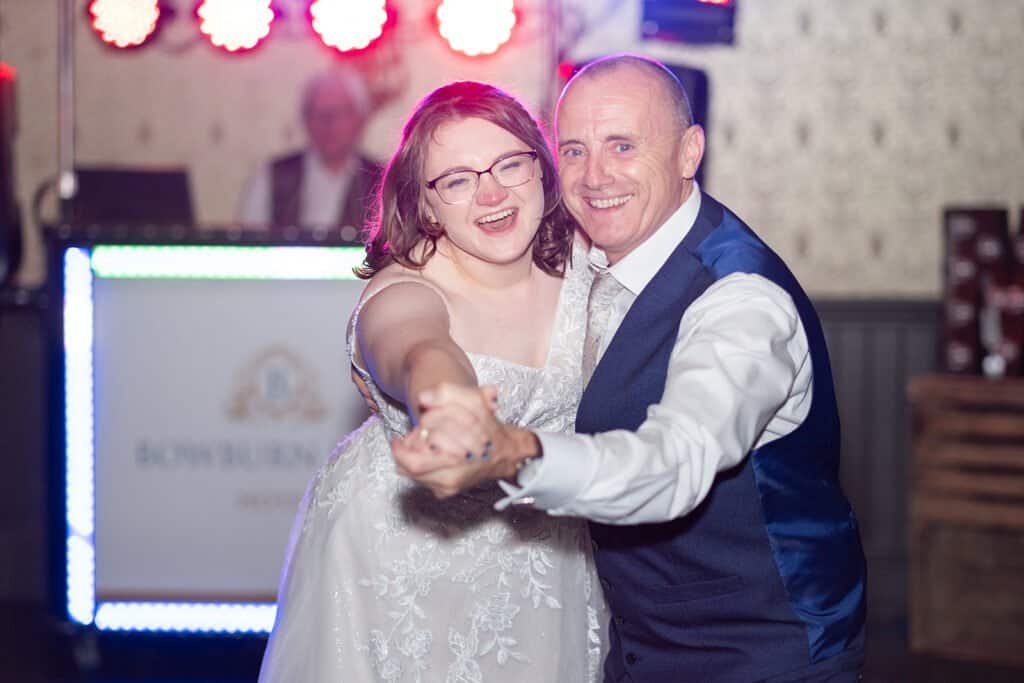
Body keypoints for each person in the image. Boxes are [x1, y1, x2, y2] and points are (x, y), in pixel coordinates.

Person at [393, 54, 868, 682]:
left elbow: (671, 465)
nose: (595, 176)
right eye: (575, 150)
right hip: (636, 649)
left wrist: (516, 454)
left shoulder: (741, 303)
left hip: (764, 656)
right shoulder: (584, 255)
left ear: (688, 152)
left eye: (622, 145)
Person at [258, 81, 607, 682]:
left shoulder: (590, 264)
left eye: (509, 164)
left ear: (542, 170)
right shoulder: (405, 286)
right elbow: (417, 346)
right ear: (425, 205)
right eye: (457, 180)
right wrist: (448, 406)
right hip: (398, 564)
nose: (491, 193)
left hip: (547, 563)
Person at [237, 68, 381, 233]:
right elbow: (250, 240)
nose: (328, 123)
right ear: (305, 119)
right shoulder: (272, 176)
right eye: (318, 113)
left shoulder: (381, 182)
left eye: (339, 112)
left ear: (361, 119)